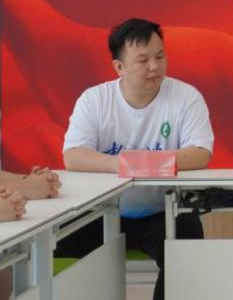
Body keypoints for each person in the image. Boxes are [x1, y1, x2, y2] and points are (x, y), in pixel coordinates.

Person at [59, 18, 214, 300]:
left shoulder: (186, 97)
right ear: (119, 67)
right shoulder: (95, 100)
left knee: (187, 254)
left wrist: (141, 163)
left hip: (161, 211)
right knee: (47, 246)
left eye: (160, 57)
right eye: (143, 60)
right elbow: (74, 156)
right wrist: (122, 164)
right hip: (100, 211)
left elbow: (200, 153)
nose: (155, 67)